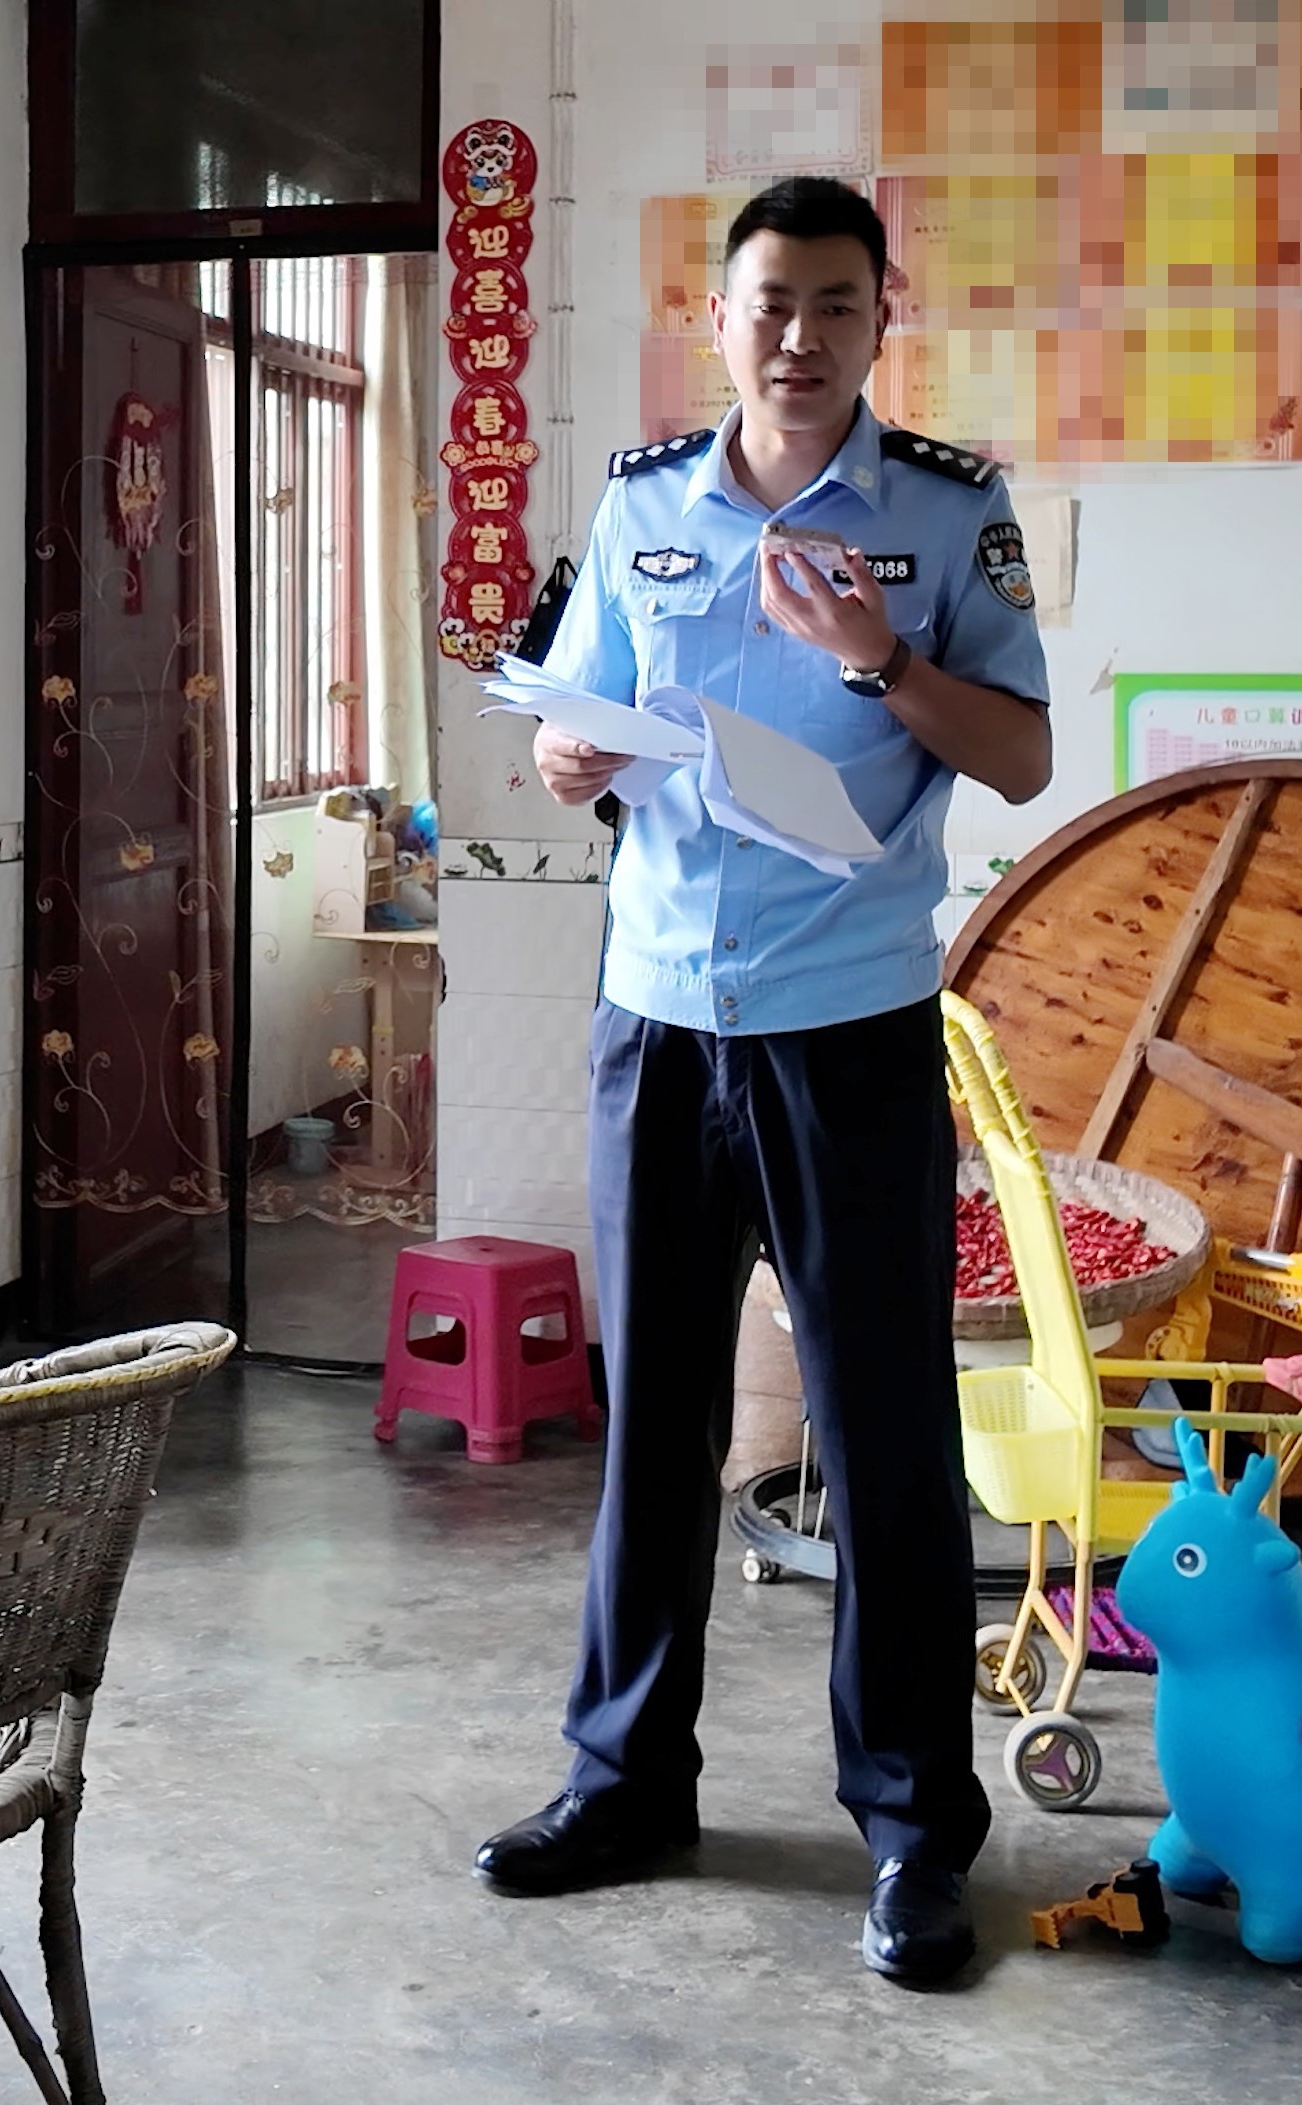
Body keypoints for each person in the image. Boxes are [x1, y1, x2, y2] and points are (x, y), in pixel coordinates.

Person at [473, 177, 1054, 1988]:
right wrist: (566, 756)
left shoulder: (948, 512)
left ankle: (915, 1829)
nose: (799, 337)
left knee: (883, 1435)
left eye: (835, 305)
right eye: (770, 304)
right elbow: (566, 716)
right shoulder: (642, 502)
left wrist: (883, 661)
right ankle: (625, 1778)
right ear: (717, 319)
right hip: (658, 1019)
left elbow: (1024, 756)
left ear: (885, 318)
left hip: (849, 1026)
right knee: (652, 1421)